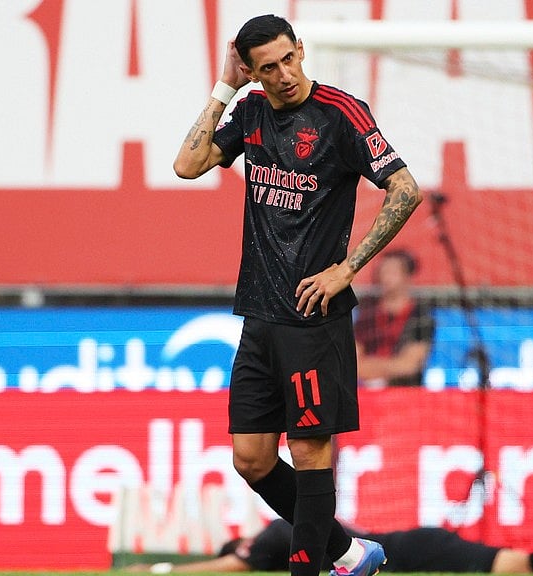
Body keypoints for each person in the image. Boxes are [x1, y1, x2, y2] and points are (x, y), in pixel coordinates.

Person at [173, 14, 422, 576]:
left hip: (314, 317)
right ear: (252, 72)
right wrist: (224, 88)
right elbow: (187, 165)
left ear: (301, 49)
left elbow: (405, 190)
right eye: (268, 68)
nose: (284, 74)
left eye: (289, 59)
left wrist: (347, 269)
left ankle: (314, 568)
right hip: (259, 315)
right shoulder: (252, 112)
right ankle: (350, 553)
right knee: (252, 459)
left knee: (312, 455)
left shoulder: (341, 114)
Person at [126, 518, 533, 574]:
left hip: (415, 553)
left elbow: (225, 568)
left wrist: (159, 571)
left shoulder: (268, 540)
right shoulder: (290, 530)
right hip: (413, 543)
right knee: (519, 565)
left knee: (518, 568)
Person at [353, 249, 435, 388]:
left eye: (392, 272)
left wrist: (371, 367)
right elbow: (353, 362)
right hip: (367, 393)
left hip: (404, 393)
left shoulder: (420, 316)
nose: (386, 278)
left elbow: (409, 366)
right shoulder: (367, 315)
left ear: (407, 276)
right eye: (382, 272)